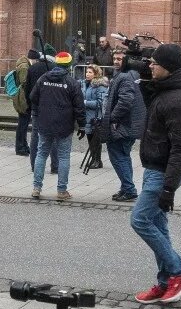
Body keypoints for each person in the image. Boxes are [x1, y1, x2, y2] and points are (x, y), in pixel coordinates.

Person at [133, 43, 181, 302]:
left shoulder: (179, 99)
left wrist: (169, 188)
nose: (150, 66)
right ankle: (165, 281)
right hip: (156, 168)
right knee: (158, 225)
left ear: (169, 68)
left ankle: (179, 271)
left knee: (140, 220)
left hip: (164, 171)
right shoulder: (166, 89)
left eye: (154, 64)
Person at [29, 50, 85, 200]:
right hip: (64, 125)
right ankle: (61, 190)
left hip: (45, 123)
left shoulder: (43, 78)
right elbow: (79, 106)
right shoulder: (72, 82)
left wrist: (36, 114)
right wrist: (82, 125)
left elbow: (33, 97)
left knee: (41, 154)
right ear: (69, 66)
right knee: (64, 156)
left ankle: (36, 187)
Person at [104, 58, 146, 201]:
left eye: (119, 59)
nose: (116, 61)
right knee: (123, 155)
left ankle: (129, 189)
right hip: (129, 124)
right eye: (114, 58)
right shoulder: (131, 76)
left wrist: (113, 118)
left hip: (124, 124)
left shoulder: (125, 77)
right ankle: (125, 187)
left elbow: (125, 101)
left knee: (118, 155)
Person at [81, 64, 108, 172]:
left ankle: (97, 160)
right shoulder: (85, 84)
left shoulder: (100, 86)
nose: (87, 74)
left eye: (90, 72)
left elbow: (101, 103)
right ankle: (94, 159)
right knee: (90, 139)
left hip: (96, 117)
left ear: (96, 74)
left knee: (95, 140)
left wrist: (86, 103)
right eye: (87, 72)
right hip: (87, 117)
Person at [10, 49, 36, 156]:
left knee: (23, 123)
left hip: (22, 98)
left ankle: (23, 145)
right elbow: (24, 83)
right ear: (33, 59)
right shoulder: (25, 67)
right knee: (23, 124)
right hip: (22, 99)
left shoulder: (24, 65)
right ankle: (20, 147)